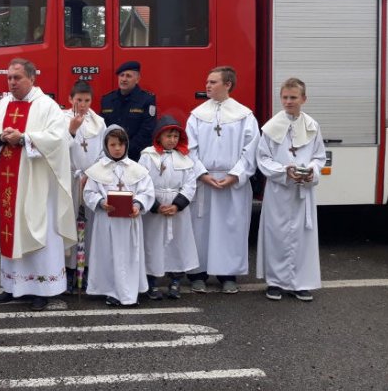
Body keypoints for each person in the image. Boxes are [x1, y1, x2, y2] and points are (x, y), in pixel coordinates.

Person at [0, 58, 76, 312]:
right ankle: (12, 286)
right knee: (11, 230)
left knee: (37, 229)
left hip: (36, 184)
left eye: (17, 78)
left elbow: (59, 139)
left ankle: (42, 288)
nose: (11, 82)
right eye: (9, 78)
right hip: (8, 184)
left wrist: (25, 139)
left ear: (32, 78)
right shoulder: (2, 105)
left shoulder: (47, 106)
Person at [186, 66, 259, 294]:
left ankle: (228, 275)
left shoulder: (244, 115)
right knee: (201, 229)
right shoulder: (197, 115)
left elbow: (251, 148)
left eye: (213, 82)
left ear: (227, 84)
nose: (207, 85)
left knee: (230, 228)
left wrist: (235, 174)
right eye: (207, 81)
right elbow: (189, 149)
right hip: (204, 180)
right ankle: (198, 274)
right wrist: (202, 174)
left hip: (232, 181)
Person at [256, 78, 326, 302]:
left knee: (302, 236)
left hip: (302, 191)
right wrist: (284, 171)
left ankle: (301, 283)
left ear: (303, 99)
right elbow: (263, 158)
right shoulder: (271, 127)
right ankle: (275, 282)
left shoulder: (312, 126)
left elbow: (319, 156)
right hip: (279, 191)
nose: (288, 101)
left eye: (293, 97)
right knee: (277, 234)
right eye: (285, 97)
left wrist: (310, 171)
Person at [83, 125, 154, 307]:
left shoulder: (137, 169)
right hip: (106, 222)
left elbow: (147, 192)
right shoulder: (96, 169)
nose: (117, 148)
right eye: (112, 144)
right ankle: (110, 290)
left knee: (128, 258)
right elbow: (89, 192)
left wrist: (138, 205)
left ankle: (130, 292)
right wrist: (100, 202)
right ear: (106, 145)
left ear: (126, 145)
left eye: (120, 144)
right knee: (108, 256)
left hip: (129, 222)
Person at [139, 115, 199, 300]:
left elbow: (190, 184)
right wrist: (155, 206)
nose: (172, 140)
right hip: (155, 208)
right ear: (159, 137)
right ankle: (152, 282)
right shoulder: (148, 156)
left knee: (176, 244)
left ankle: (175, 281)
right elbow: (141, 180)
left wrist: (177, 204)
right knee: (153, 243)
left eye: (175, 136)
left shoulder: (185, 158)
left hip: (176, 208)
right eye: (168, 136)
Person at [62, 80, 105, 293]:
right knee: (68, 224)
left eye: (87, 100)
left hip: (91, 179)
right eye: (78, 100)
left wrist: (92, 173)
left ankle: (85, 268)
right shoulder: (61, 119)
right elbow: (57, 148)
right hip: (68, 178)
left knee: (88, 226)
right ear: (70, 99)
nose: (82, 104)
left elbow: (103, 152)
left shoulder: (99, 122)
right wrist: (71, 130)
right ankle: (67, 271)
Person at [100, 61, 156, 161]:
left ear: (137, 79)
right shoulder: (107, 100)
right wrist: (112, 149)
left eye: (128, 76)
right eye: (122, 75)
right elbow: (102, 128)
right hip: (110, 156)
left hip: (136, 157)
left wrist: (125, 149)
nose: (124, 79)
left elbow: (147, 131)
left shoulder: (146, 100)